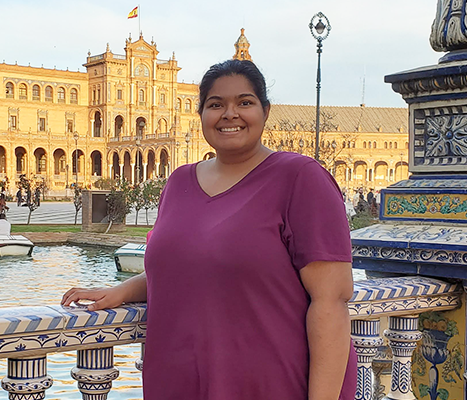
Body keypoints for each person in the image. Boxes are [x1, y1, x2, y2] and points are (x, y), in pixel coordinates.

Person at [62, 60, 357, 400]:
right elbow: (188, 266)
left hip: (268, 382)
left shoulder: (300, 178)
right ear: (200, 114)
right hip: (178, 378)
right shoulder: (178, 183)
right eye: (216, 105)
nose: (230, 114)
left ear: (265, 111)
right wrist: (122, 292)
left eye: (244, 103)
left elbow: (331, 302)